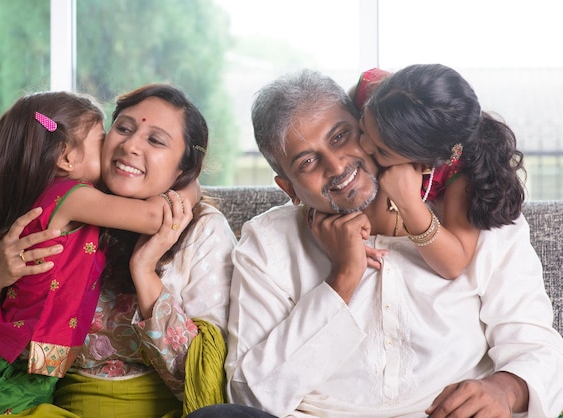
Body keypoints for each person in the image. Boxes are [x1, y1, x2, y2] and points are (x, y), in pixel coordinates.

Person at [191, 69, 563, 417]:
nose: (336, 166)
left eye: (340, 136)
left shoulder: (475, 209)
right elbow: (250, 395)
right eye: (307, 161)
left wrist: (506, 388)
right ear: (289, 189)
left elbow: (537, 348)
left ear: (370, 129)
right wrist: (343, 278)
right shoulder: (268, 241)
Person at [0, 84, 237, 418]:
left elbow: (204, 380)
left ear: (183, 166)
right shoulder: (76, 211)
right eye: (123, 129)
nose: (131, 145)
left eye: (156, 140)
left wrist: (144, 271)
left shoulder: (204, 230)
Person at [357, 63, 526, 280]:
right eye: (362, 126)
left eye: (382, 151)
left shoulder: (459, 172)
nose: (363, 146)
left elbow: (453, 264)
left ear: (429, 158)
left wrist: (409, 203)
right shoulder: (372, 92)